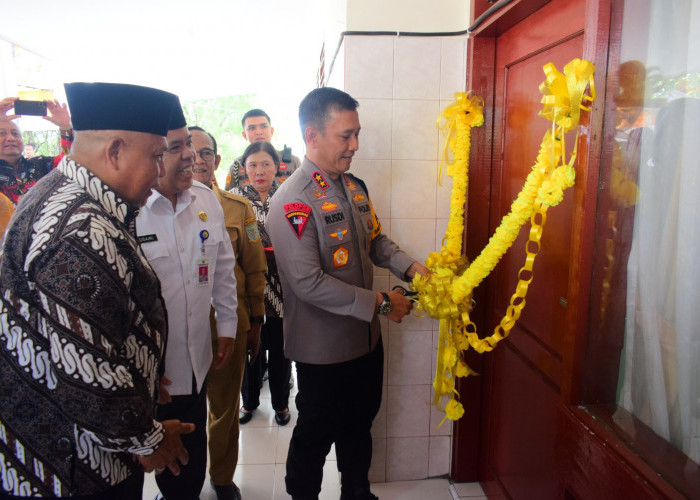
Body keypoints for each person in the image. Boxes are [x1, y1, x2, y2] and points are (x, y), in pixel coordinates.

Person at [0, 82, 194, 498]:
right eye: (156, 156)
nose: (161, 171)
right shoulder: (80, 229)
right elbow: (87, 373)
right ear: (116, 151)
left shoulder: (70, 196)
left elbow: (92, 327)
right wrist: (148, 439)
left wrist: (141, 377)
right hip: (73, 467)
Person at [267, 87, 430, 500]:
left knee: (360, 422)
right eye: (346, 136)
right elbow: (308, 283)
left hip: (364, 341)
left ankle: (357, 491)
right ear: (312, 135)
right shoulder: (292, 203)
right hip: (322, 349)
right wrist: (379, 302)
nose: (355, 145)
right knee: (316, 433)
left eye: (357, 134)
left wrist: (412, 267)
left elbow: (376, 242)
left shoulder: (354, 189)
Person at [136, 116, 239, 500]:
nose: (189, 156)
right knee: (155, 459)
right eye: (175, 147)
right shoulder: (134, 207)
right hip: (152, 371)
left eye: (189, 146)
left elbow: (223, 268)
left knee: (191, 455)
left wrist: (227, 327)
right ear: (152, 155)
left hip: (197, 356)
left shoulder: (206, 197)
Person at [188, 125, 267, 500]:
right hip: (180, 331)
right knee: (185, 410)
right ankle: (182, 483)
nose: (197, 159)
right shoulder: (155, 206)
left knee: (224, 409)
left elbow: (254, 269)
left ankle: (221, 478)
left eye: (206, 153)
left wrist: (255, 321)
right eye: (189, 151)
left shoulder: (238, 209)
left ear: (217, 160)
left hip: (228, 325)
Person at [231, 141, 292, 427]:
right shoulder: (234, 199)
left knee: (281, 350)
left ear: (276, 167)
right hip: (248, 289)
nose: (259, 171)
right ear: (244, 168)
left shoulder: (290, 195)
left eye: (266, 164)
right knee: (249, 349)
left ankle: (281, 404)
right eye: (253, 164)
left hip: (284, 288)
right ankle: (250, 401)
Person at [0, 97, 73, 204]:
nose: (11, 138)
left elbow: (71, 161)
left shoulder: (40, 164)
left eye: (15, 134)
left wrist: (66, 127)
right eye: (2, 133)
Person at [225, 108, 301, 189]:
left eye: (263, 126)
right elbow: (228, 199)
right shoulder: (237, 167)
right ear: (244, 135)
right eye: (252, 128)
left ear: (271, 131)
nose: (259, 132)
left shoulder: (292, 163)